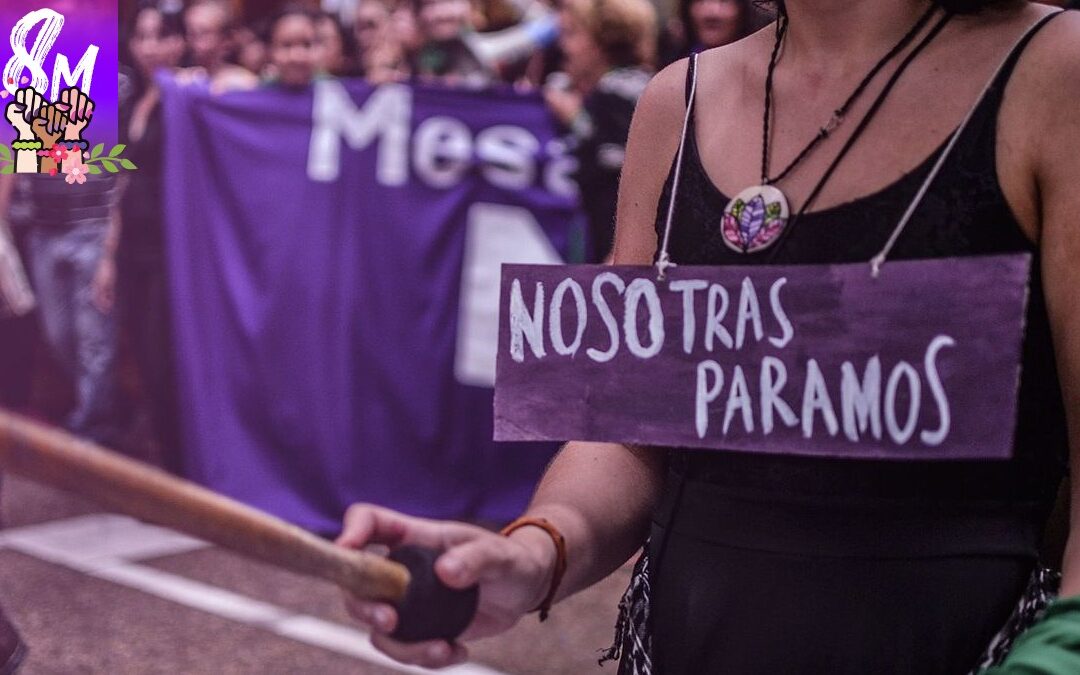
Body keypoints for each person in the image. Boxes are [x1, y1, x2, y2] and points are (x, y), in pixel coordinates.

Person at [335, 0, 1080, 672]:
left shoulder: (1055, 70)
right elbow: (630, 430)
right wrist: (532, 553)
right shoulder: (674, 99)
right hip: (685, 642)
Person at [96, 4, 186, 472]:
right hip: (131, 244)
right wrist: (109, 256)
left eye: (161, 36)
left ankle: (178, 464)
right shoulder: (131, 98)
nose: (150, 47)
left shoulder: (188, 98)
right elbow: (120, 181)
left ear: (179, 42)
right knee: (141, 354)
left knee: (162, 357)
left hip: (172, 250)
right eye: (142, 37)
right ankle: (165, 453)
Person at [544, 0, 656, 262]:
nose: (563, 46)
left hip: (621, 253)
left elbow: (626, 174)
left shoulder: (620, 89)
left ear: (604, 40)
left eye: (571, 33)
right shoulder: (614, 86)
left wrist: (575, 119)